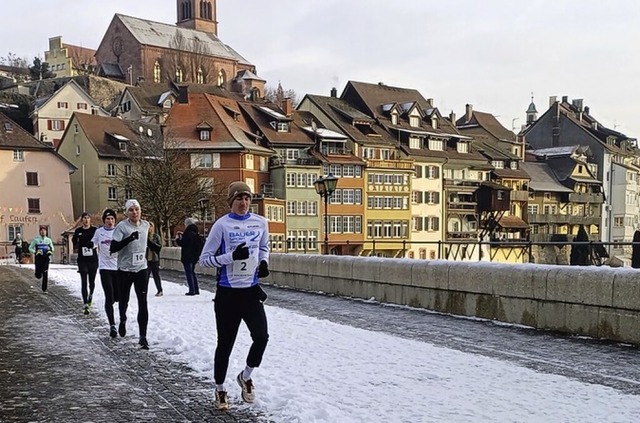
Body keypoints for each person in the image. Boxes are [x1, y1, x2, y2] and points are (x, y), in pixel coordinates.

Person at [199, 181, 270, 410]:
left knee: (261, 337)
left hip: (250, 292)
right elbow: (204, 260)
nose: (244, 203)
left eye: (247, 198)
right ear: (231, 201)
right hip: (227, 294)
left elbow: (264, 248)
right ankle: (220, 389)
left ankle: (246, 376)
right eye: (239, 198)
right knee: (225, 344)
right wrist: (231, 257)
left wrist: (264, 262)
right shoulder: (222, 225)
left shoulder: (260, 223)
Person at [109, 199, 151, 350]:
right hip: (125, 270)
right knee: (124, 300)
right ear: (127, 212)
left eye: (137, 209)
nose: (135, 212)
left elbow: (146, 242)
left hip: (141, 268)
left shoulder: (146, 225)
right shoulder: (122, 227)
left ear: (140, 211)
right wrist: (129, 239)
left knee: (143, 301)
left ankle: (143, 336)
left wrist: (155, 246)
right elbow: (113, 247)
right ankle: (122, 319)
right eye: (131, 210)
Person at [91, 209, 120, 338]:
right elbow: (93, 243)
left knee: (118, 297)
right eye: (108, 219)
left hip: (118, 268)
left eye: (112, 219)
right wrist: (89, 244)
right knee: (109, 297)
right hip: (104, 268)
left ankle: (121, 319)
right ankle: (112, 325)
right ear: (104, 220)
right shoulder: (99, 232)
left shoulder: (118, 232)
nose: (110, 221)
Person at [73, 212, 99, 315]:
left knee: (91, 281)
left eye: (88, 218)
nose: (86, 220)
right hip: (82, 260)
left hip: (93, 259)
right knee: (84, 281)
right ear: (82, 220)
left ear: (90, 220)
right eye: (84, 218)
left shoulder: (95, 230)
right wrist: (75, 240)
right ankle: (85, 303)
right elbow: (74, 242)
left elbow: (98, 241)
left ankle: (91, 295)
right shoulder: (78, 231)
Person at [175, 217, 204, 296]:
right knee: (193, 273)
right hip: (194, 256)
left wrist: (177, 239)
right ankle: (196, 289)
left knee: (189, 273)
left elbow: (182, 243)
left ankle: (192, 290)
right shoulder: (195, 232)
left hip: (187, 256)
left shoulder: (188, 233)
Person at [29, 226, 54, 293]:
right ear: (40, 232)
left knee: (45, 273)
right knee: (38, 274)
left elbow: (52, 248)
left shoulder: (48, 240)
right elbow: (30, 248)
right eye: (41, 230)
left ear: (46, 232)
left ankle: (44, 289)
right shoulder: (36, 240)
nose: (43, 232)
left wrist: (49, 252)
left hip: (46, 258)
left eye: (44, 230)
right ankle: (38, 274)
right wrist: (35, 252)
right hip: (38, 258)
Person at [146, 222, 163, 297]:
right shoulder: (144, 236)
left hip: (154, 259)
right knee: (145, 276)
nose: (149, 228)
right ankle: (144, 291)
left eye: (151, 226)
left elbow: (159, 247)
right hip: (146, 259)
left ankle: (160, 290)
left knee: (156, 275)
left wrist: (151, 243)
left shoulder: (156, 236)